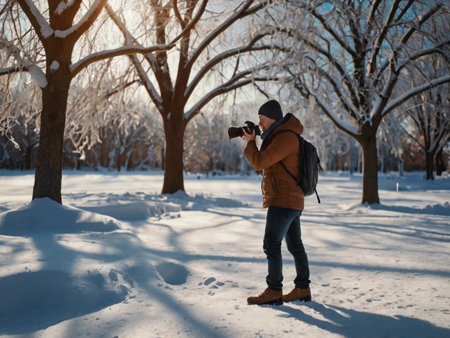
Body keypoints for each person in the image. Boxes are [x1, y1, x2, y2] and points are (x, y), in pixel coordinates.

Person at [241, 99, 311, 305]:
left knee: (271, 244)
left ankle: (274, 290)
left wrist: (251, 142)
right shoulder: (280, 136)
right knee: (295, 245)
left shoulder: (285, 138)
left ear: (272, 117)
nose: (259, 124)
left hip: (283, 200)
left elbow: (260, 162)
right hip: (290, 200)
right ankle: (302, 288)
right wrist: (255, 140)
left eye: (261, 119)